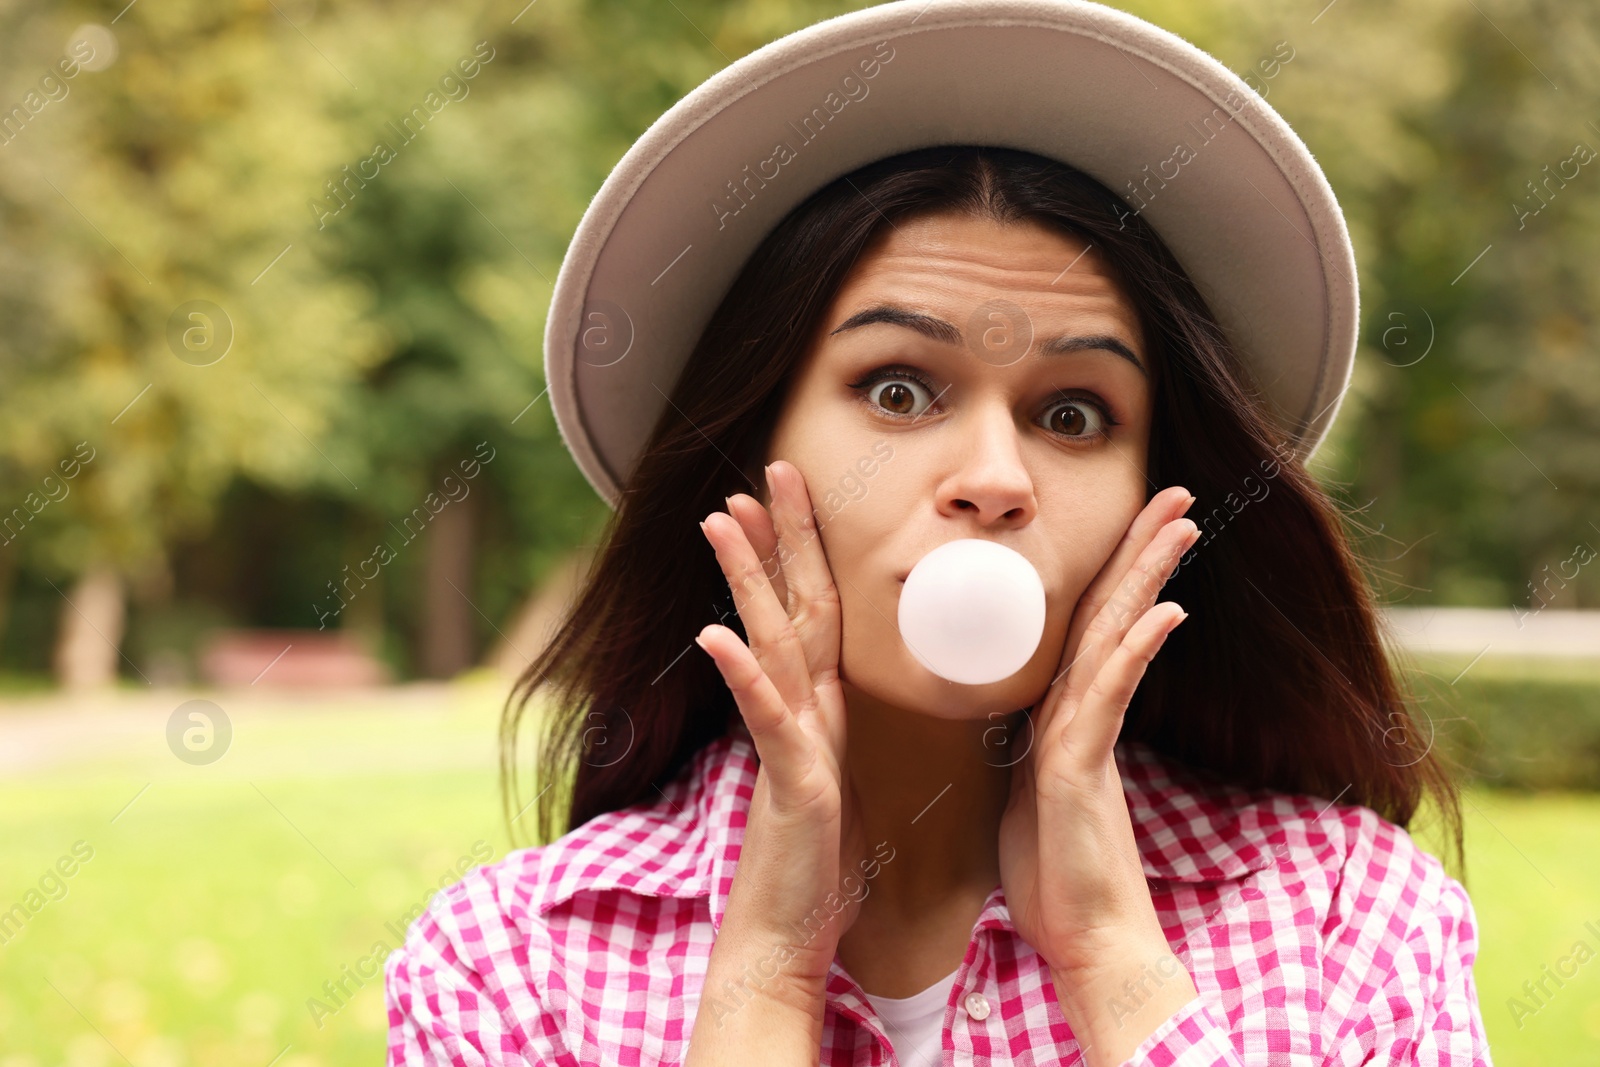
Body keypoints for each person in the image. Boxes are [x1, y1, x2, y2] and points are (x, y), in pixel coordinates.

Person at [385, 4, 1494, 1065]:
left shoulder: (1356, 921)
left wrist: (1113, 953)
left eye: (1072, 414)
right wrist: (766, 971)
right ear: (744, 456)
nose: (994, 479)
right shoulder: (507, 969)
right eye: (900, 390)